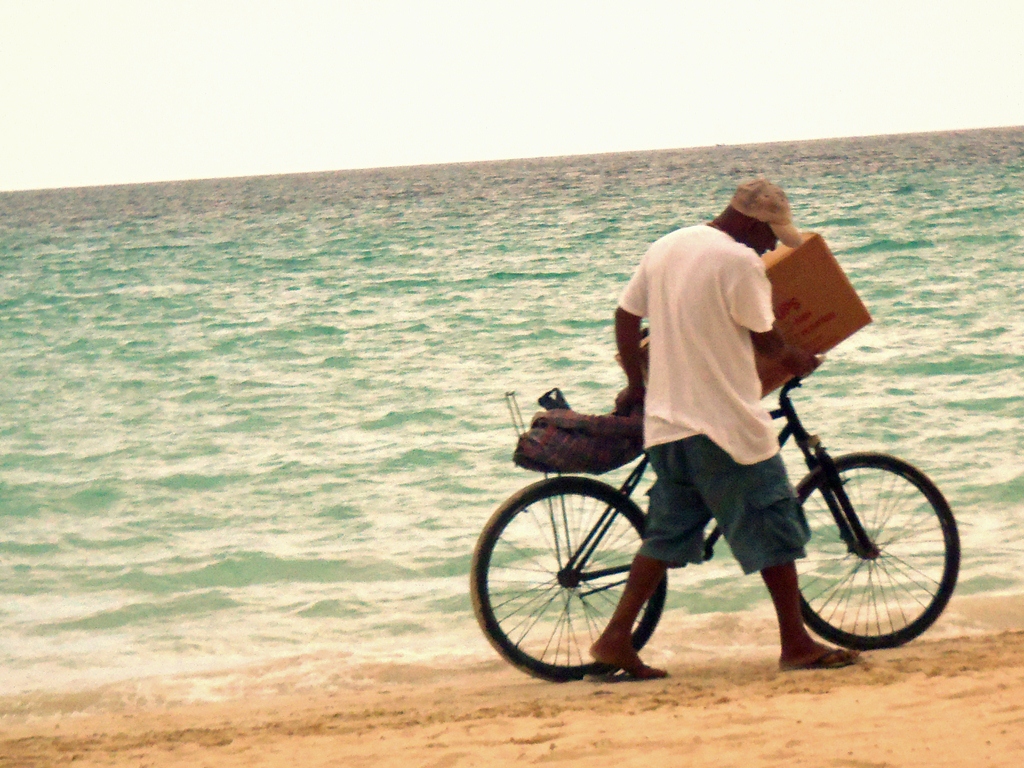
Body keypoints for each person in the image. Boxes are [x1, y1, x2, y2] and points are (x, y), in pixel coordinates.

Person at [591, 178, 860, 678]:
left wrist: (635, 383)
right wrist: (798, 358)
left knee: (664, 537)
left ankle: (614, 640)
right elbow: (767, 341)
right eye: (771, 234)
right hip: (724, 427)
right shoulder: (740, 262)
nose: (773, 246)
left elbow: (626, 319)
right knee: (772, 518)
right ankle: (796, 644)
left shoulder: (667, 245)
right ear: (751, 221)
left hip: (668, 426)